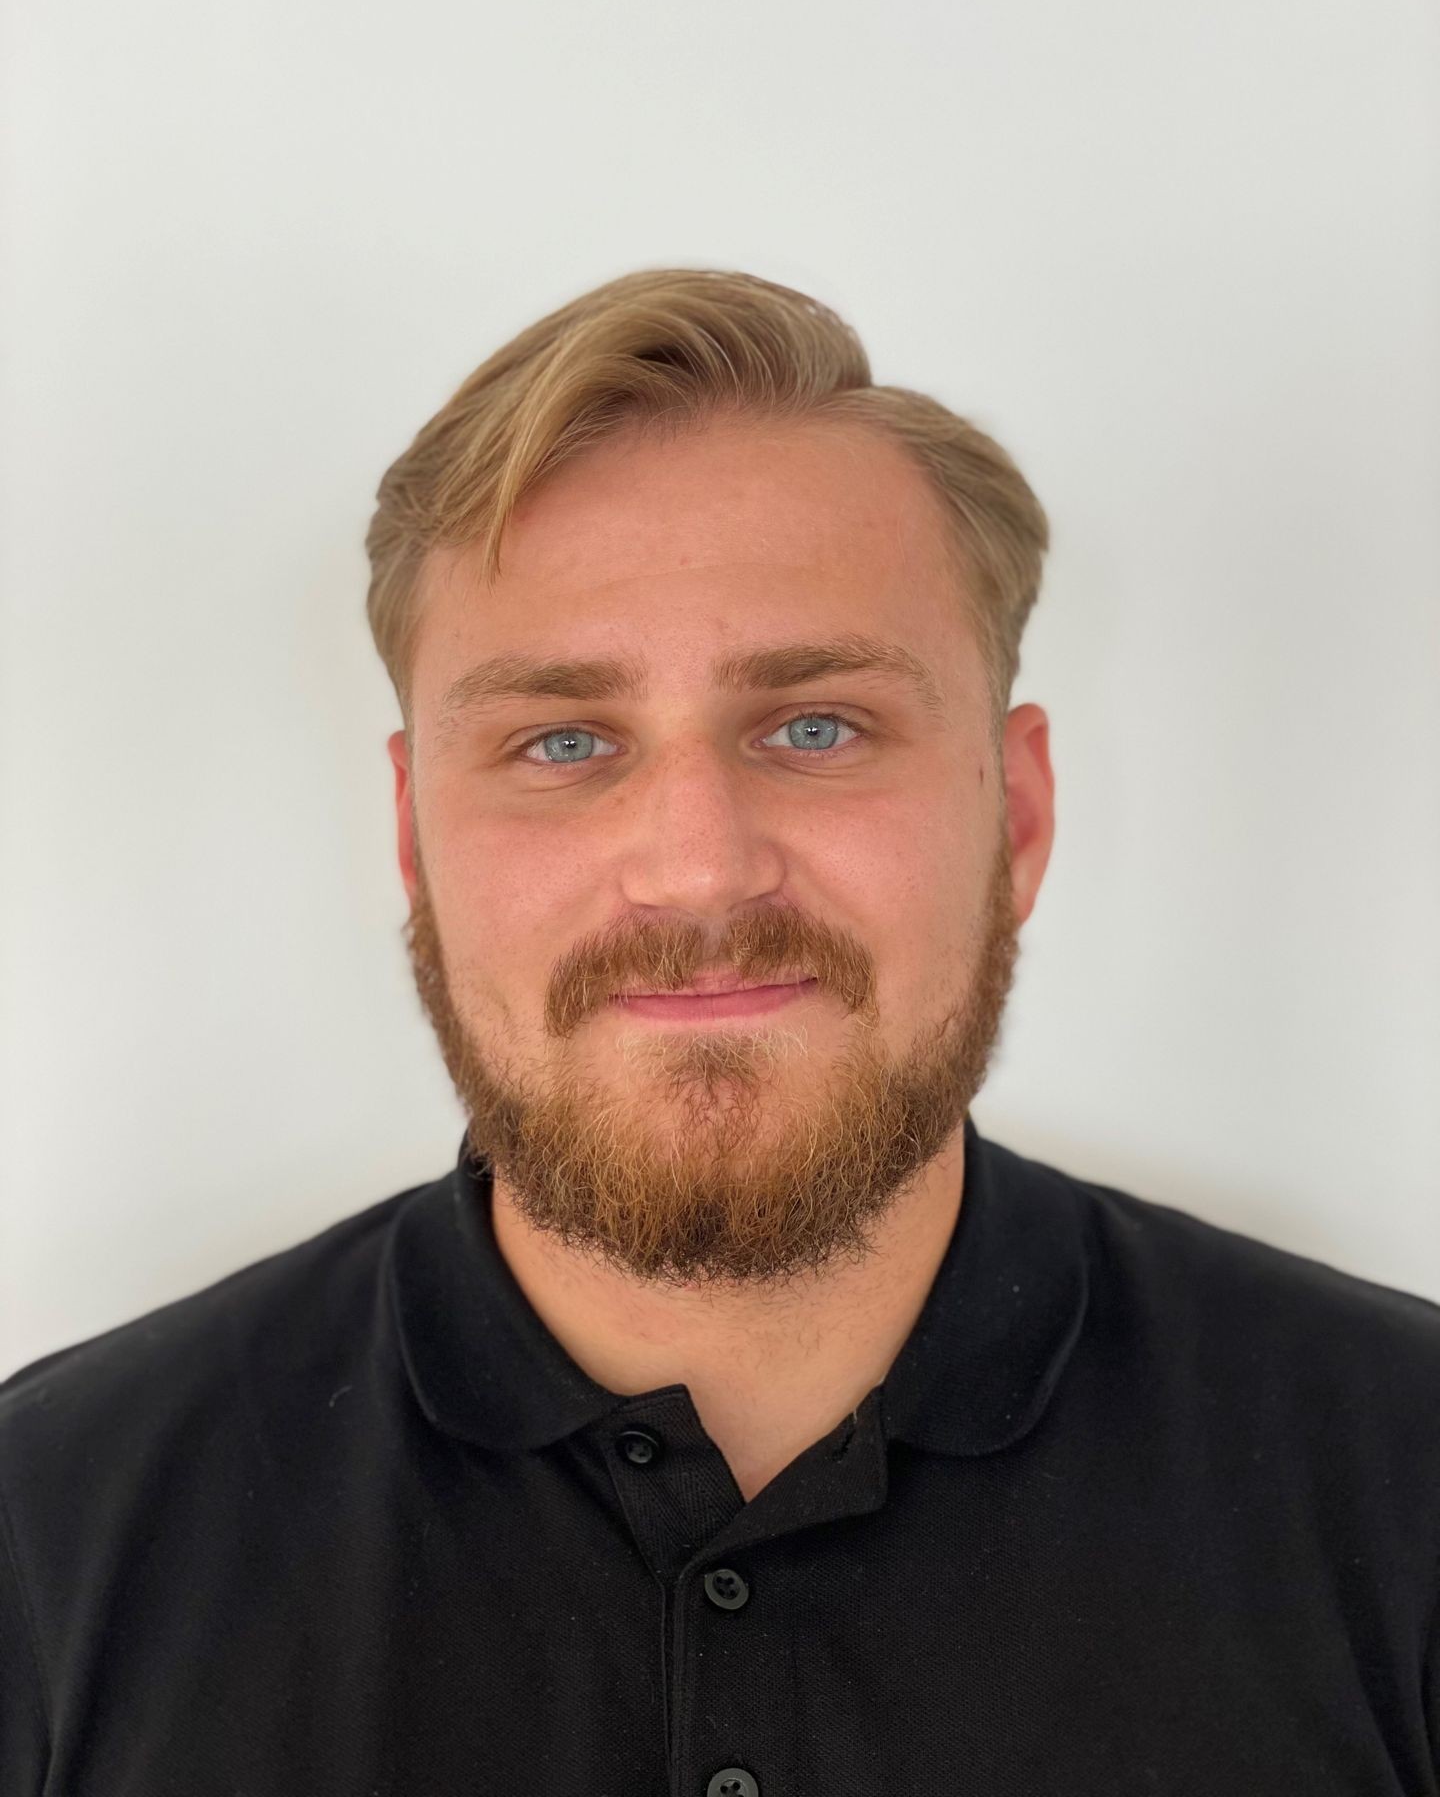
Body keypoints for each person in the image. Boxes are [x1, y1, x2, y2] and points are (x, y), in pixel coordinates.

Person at [1, 269, 1436, 1795]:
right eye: (562, 741)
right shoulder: (49, 1532)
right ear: (417, 843)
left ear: (1013, 818)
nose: (698, 863)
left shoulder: (1405, 1485)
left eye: (816, 726)